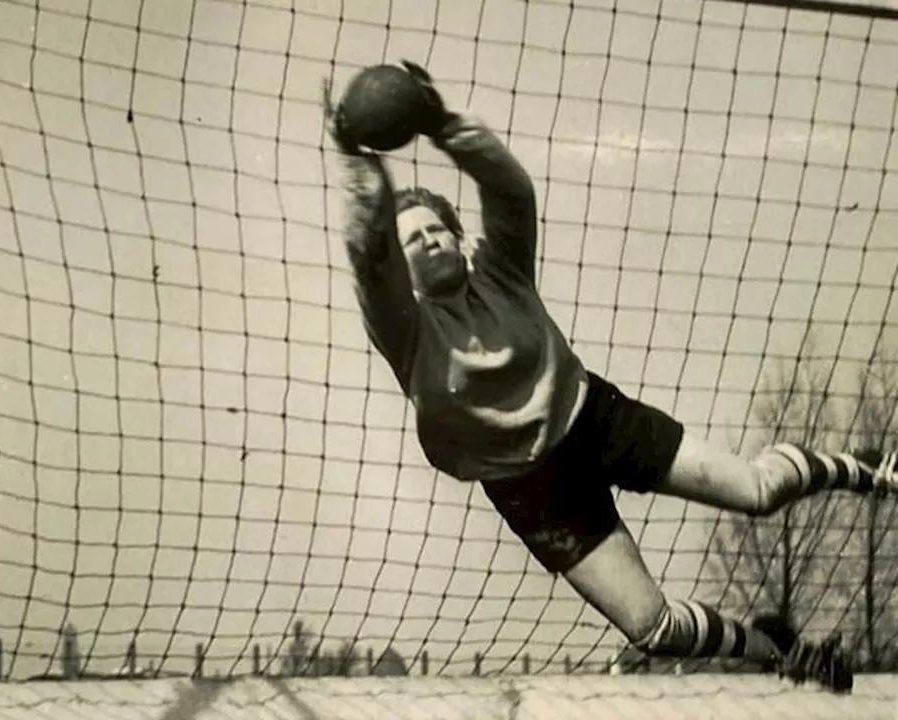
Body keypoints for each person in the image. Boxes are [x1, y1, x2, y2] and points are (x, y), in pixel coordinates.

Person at [322, 60, 897, 693]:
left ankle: (873, 469)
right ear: (400, 268)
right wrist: (356, 159)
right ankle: (778, 649)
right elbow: (367, 247)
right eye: (412, 239)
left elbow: (510, 191)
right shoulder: (404, 329)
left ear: (460, 241)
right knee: (653, 629)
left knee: (757, 491)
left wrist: (443, 126)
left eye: (438, 229)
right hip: (535, 490)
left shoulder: (502, 274)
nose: (428, 240)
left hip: (595, 419)